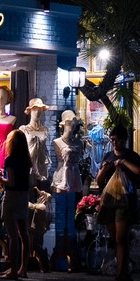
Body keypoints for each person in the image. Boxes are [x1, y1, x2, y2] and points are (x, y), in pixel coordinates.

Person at [94, 121, 140, 281]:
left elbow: (138, 179)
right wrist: (104, 170)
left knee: (121, 238)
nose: (115, 143)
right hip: (109, 200)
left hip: (125, 201)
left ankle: (121, 274)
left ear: (125, 140)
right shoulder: (108, 156)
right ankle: (122, 269)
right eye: (113, 139)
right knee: (114, 238)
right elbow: (99, 181)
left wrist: (124, 168)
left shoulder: (132, 157)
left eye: (118, 140)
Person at [47, 111, 89, 271]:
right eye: (69, 122)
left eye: (73, 123)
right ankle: (60, 253)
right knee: (60, 216)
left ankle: (71, 252)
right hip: (61, 178)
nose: (71, 126)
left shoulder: (78, 143)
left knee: (70, 216)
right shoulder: (57, 142)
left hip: (72, 178)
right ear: (63, 124)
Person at [0, 128, 37, 280]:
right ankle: (23, 268)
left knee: (13, 235)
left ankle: (13, 270)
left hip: (12, 196)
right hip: (23, 196)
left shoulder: (10, 160)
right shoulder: (26, 160)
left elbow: (11, 182)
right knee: (24, 234)